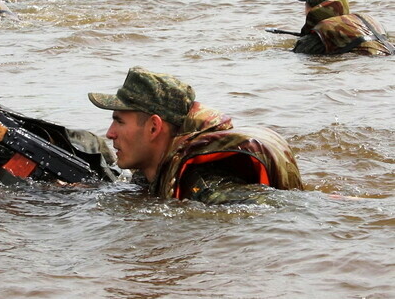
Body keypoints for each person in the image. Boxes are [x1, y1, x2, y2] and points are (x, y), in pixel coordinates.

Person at [88, 67, 304, 204]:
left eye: (119, 121)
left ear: (154, 127)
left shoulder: (204, 185)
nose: (109, 133)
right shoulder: (150, 171)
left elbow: (273, 209)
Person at [292, 0, 394, 56]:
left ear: (312, 7)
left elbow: (300, 54)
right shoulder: (366, 19)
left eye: (305, 4)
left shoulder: (321, 33)